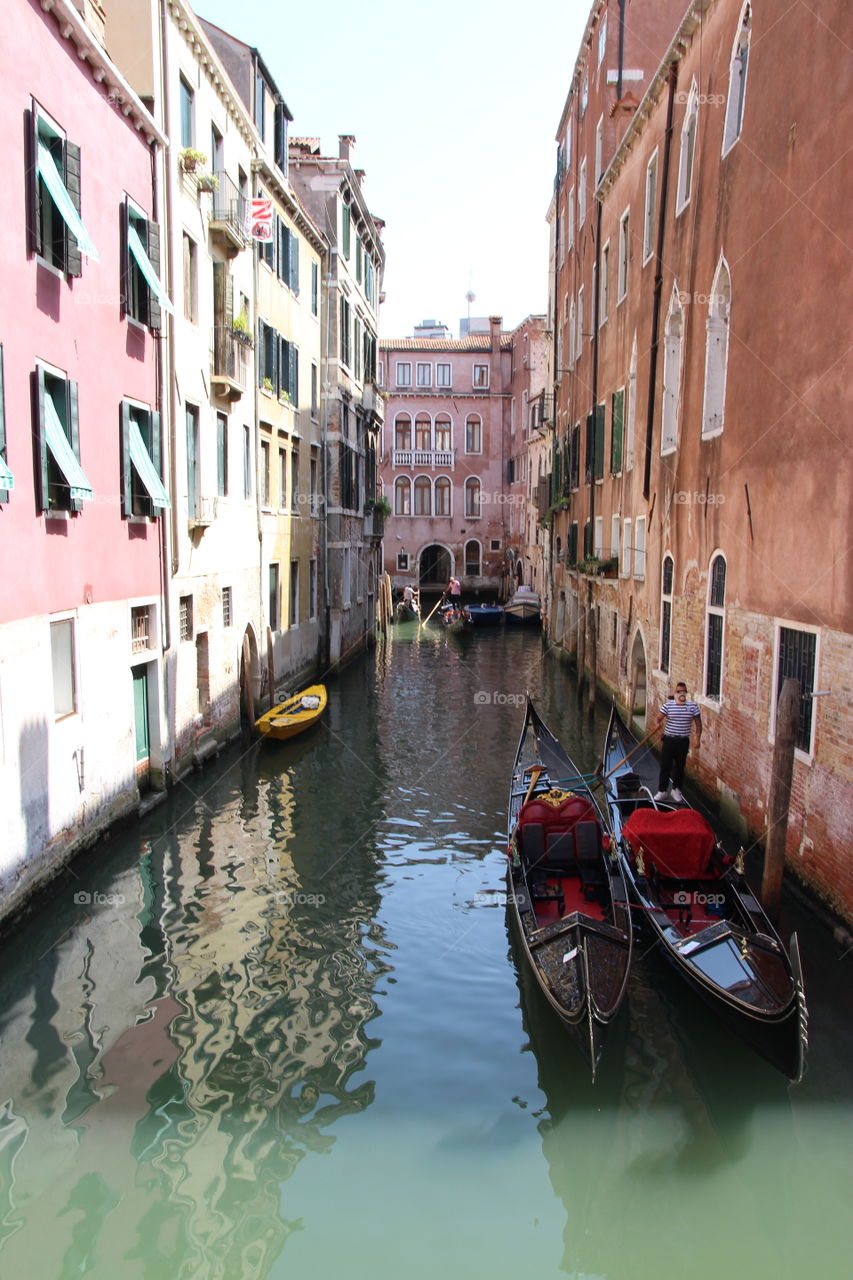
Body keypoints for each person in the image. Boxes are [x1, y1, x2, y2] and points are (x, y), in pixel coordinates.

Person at [653, 682, 702, 803]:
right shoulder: (668, 706)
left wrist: (697, 738)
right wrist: (657, 724)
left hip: (683, 741)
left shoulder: (693, 707)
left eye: (684, 691)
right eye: (679, 691)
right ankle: (662, 791)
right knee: (665, 765)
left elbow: (698, 724)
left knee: (680, 767)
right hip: (669, 740)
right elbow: (658, 718)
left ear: (686, 693)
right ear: (675, 693)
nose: (682, 694)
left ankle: (676, 790)